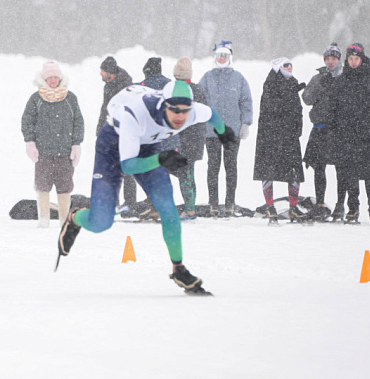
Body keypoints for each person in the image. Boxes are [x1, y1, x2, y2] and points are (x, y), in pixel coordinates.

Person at [56, 81, 237, 294]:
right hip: (112, 146)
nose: (180, 117)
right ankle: (75, 217)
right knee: (101, 222)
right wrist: (161, 158)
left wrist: (223, 132)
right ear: (163, 105)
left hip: (147, 147)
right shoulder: (137, 114)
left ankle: (178, 268)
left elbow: (213, 115)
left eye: (185, 111)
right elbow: (128, 165)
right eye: (174, 110)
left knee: (168, 209)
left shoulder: (194, 111)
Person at [328, 43, 370, 224]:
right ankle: (353, 209)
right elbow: (333, 110)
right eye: (350, 59)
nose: (354, 62)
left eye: (356, 59)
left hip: (369, 137)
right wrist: (333, 132)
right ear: (347, 60)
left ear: (362, 59)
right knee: (351, 177)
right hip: (347, 137)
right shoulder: (341, 82)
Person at [21, 60, 85, 227]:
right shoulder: (36, 99)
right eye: (49, 77)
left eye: (56, 77)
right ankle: (44, 219)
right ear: (44, 79)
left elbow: (78, 121)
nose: (53, 80)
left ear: (60, 78)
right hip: (43, 152)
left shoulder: (70, 98)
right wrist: (30, 142)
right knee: (43, 185)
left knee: (65, 186)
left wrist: (76, 144)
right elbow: (27, 121)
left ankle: (64, 219)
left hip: (65, 152)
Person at [199, 40, 253, 217]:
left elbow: (245, 101)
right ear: (214, 57)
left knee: (231, 167)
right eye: (218, 56)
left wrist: (246, 123)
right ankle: (213, 203)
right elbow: (199, 101)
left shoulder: (239, 78)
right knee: (213, 167)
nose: (222, 59)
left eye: (225, 56)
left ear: (230, 58)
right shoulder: (207, 78)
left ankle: (230, 202)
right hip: (211, 131)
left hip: (231, 132)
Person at [253, 58, 309, 224]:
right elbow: (272, 111)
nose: (289, 68)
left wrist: (297, 128)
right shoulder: (271, 84)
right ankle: (270, 207)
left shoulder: (292, 84)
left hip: (289, 136)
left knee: (294, 172)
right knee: (268, 170)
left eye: (291, 65)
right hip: (271, 137)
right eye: (285, 65)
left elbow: (297, 111)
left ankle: (293, 207)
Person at [302, 43, 346, 220]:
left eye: (333, 58)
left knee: (341, 169)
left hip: (338, 131)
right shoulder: (318, 78)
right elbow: (306, 98)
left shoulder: (345, 77)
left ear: (339, 60)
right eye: (327, 59)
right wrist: (320, 86)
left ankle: (340, 204)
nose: (330, 62)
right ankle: (320, 203)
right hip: (319, 129)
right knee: (318, 167)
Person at [163, 57, 207, 220]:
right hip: (196, 140)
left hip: (183, 140)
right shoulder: (198, 90)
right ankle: (191, 208)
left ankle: (190, 211)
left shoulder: (174, 91)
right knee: (188, 174)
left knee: (184, 175)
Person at [97, 55, 136, 213]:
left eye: (102, 71)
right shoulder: (108, 84)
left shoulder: (125, 85)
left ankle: (130, 202)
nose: (100, 74)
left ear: (110, 73)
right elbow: (104, 108)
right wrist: (100, 128)